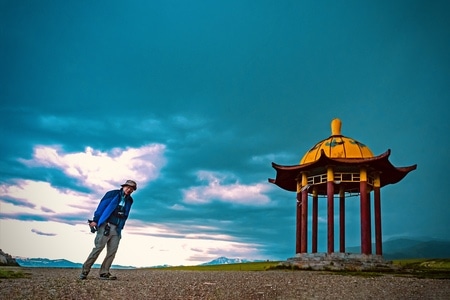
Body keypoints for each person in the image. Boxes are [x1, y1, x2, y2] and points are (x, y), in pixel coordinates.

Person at [79, 180, 137, 280]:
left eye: (132, 189)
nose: (129, 190)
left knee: (112, 252)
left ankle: (104, 273)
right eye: (128, 187)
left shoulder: (130, 200)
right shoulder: (112, 194)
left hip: (117, 229)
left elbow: (125, 214)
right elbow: (101, 207)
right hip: (106, 226)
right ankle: (85, 271)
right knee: (98, 248)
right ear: (123, 186)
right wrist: (95, 220)